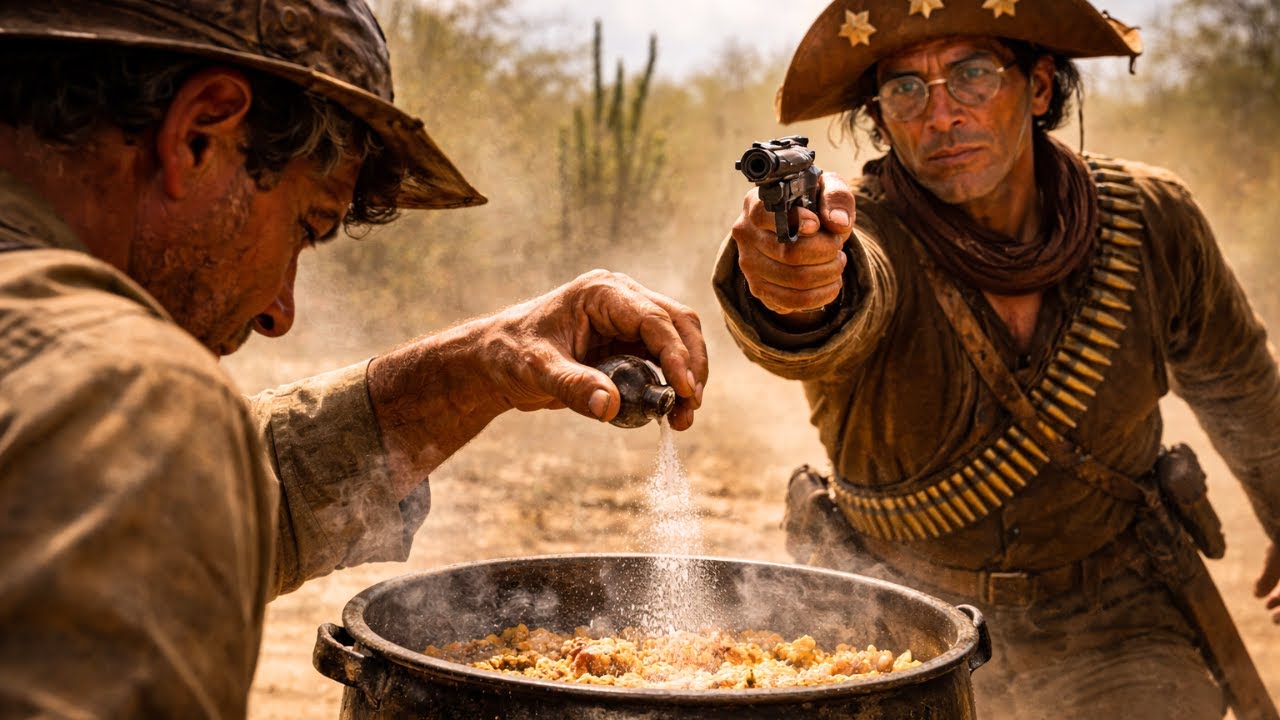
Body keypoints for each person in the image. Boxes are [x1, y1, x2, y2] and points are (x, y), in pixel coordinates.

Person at [0, 1, 707, 717]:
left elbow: (161, 505)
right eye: (307, 226)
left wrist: (483, 364)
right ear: (200, 132)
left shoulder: (72, 402)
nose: (280, 311)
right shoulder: (120, 395)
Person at [716, 0, 1279, 717]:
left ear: (1038, 88)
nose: (940, 115)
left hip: (1113, 622)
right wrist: (795, 282)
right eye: (905, 89)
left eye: (973, 74)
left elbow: (1242, 387)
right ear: (881, 119)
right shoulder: (859, 232)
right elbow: (829, 304)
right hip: (897, 621)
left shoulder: (1149, 219)